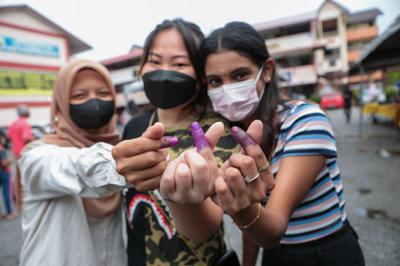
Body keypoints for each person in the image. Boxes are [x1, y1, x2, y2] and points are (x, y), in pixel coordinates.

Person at [162, 21, 365, 266]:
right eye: (215, 81)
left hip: (324, 253)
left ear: (267, 70)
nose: (228, 89)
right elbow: (257, 224)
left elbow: (275, 225)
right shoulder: (228, 135)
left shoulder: (305, 120)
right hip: (275, 255)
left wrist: (238, 207)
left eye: (239, 75)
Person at [112, 18, 239, 265]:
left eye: (179, 63)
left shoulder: (215, 131)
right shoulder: (135, 127)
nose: (164, 71)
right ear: (141, 67)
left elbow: (207, 226)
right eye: (155, 61)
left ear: (200, 76)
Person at [18, 59, 128, 266]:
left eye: (104, 94)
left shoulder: (118, 144)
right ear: (61, 103)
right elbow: (75, 167)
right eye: (79, 95)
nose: (94, 102)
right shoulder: (36, 155)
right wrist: (121, 165)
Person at [8, 104, 33, 213]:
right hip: (25, 154)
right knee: (27, 178)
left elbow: (9, 137)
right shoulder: (25, 124)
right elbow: (26, 138)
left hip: (15, 154)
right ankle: (26, 203)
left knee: (17, 177)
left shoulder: (13, 124)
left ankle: (17, 202)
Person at [0, 141, 13, 219]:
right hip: (3, 172)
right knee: (6, 192)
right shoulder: (1, 150)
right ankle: (9, 213)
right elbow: (4, 163)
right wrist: (9, 161)